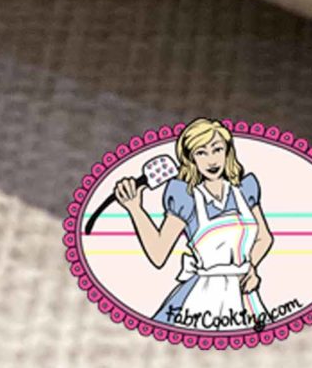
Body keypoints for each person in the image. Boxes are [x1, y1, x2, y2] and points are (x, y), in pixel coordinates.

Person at [114, 118, 273, 327]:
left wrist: (250, 268)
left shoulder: (245, 189)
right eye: (201, 153)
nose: (211, 160)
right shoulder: (185, 197)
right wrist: (135, 208)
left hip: (244, 294)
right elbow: (158, 252)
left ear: (228, 151)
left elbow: (264, 237)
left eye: (217, 149)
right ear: (191, 159)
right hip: (200, 296)